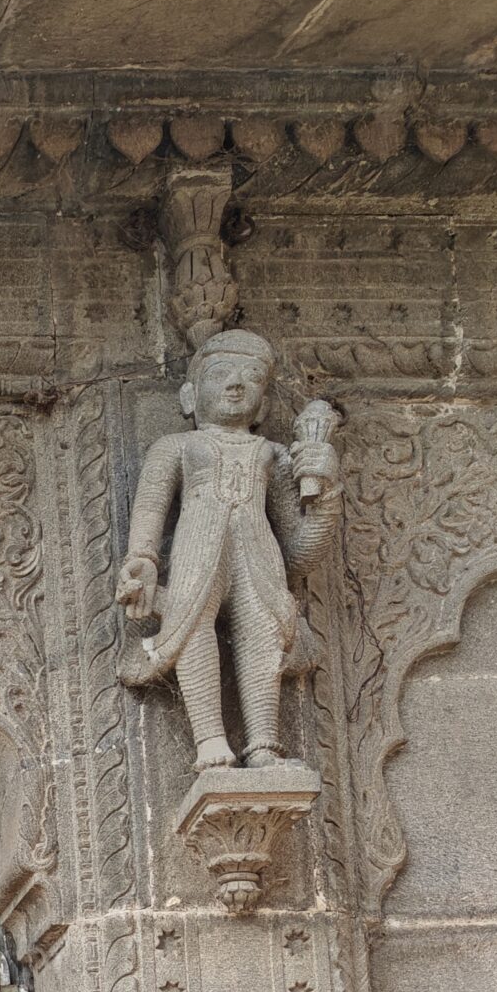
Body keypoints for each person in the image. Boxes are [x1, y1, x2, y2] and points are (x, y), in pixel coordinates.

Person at [116, 327, 341, 770]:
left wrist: (327, 495)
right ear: (189, 396)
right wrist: (141, 559)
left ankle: (263, 745)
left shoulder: (273, 455)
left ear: (265, 404)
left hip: (259, 555)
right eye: (220, 374)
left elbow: (299, 553)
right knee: (192, 625)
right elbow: (151, 507)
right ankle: (210, 741)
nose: (236, 384)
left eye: (252, 377)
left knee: (264, 630)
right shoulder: (177, 446)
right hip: (197, 549)